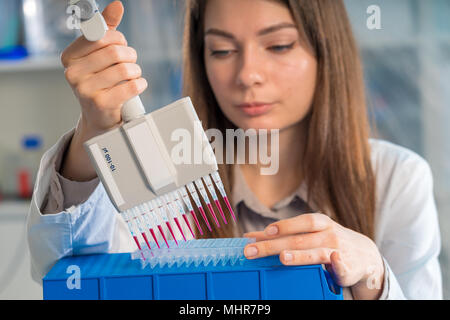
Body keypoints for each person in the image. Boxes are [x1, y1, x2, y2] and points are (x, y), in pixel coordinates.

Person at [27, 0, 442, 300]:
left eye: (278, 46)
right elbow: (67, 276)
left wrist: (374, 276)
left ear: (325, 52)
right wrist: (95, 130)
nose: (247, 75)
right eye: (222, 50)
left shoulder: (395, 177)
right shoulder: (171, 166)